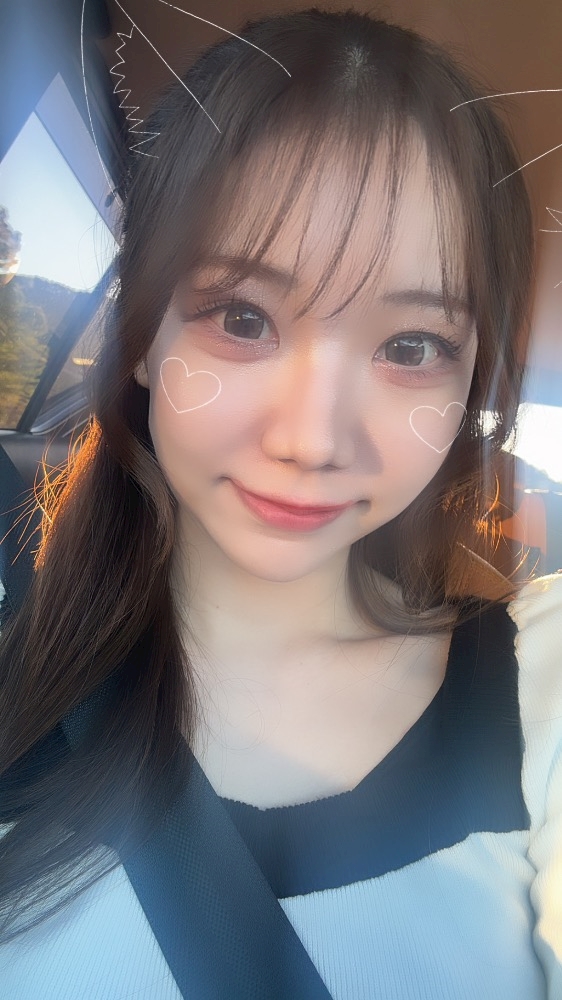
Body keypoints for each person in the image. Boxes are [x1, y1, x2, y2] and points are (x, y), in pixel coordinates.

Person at [0, 7, 561, 999]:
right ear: (143, 338)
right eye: (242, 317)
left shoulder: (538, 698)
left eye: (411, 346)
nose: (311, 439)